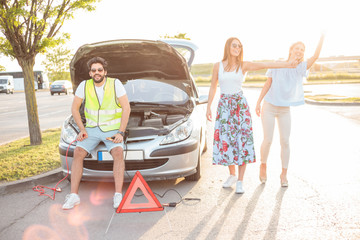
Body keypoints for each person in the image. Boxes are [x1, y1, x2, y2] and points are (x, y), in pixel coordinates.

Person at [206, 37, 300, 194]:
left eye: (240, 46)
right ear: (228, 47)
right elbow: (213, 87)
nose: (237, 48)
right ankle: (232, 175)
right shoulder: (218, 66)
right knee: (227, 142)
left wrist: (288, 64)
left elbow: (266, 64)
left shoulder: (243, 65)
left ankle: (241, 181)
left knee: (241, 142)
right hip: (224, 107)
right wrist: (208, 105)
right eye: (234, 45)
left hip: (239, 107)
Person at [255, 34, 325, 187]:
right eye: (297, 48)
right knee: (268, 140)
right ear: (291, 50)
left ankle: (284, 174)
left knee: (285, 141)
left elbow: (316, 55)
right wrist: (259, 102)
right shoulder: (278, 64)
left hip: (284, 109)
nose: (299, 51)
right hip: (269, 106)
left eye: (302, 49)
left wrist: (322, 36)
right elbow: (268, 83)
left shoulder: (301, 68)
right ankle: (263, 165)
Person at [62, 57, 131, 210]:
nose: (97, 72)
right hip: (92, 129)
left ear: (105, 72)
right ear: (90, 73)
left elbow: (126, 108)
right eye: (94, 70)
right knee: (78, 152)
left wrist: (121, 132)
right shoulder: (84, 85)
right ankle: (74, 196)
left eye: (100, 70)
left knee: (118, 152)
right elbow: (75, 109)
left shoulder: (115, 84)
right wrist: (82, 129)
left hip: (112, 129)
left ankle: (118, 195)